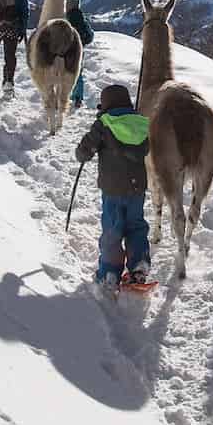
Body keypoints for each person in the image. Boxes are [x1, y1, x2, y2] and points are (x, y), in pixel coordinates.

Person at [75, 81, 151, 299]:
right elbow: (146, 148)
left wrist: (83, 154)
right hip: (137, 188)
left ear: (105, 104)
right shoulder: (141, 124)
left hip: (113, 190)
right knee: (136, 225)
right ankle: (139, 266)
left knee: (113, 229)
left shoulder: (103, 124)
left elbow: (84, 151)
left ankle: (109, 273)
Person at [65, 0, 95, 109]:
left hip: (66, 50)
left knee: (64, 72)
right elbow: (90, 36)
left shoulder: (65, 19)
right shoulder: (83, 20)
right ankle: (78, 98)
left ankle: (63, 96)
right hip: (80, 49)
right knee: (78, 73)